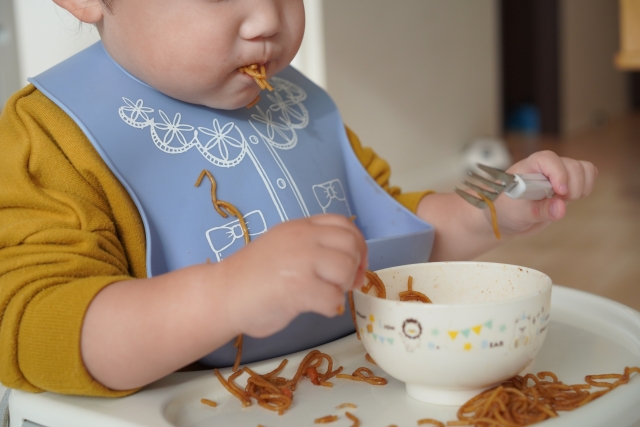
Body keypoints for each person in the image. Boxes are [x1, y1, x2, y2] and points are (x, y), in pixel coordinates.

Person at [0, 0, 597, 399]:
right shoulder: (48, 138)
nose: (266, 18)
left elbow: (391, 229)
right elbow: (29, 327)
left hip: (344, 390)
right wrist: (224, 294)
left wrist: (492, 210)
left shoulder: (295, 103)